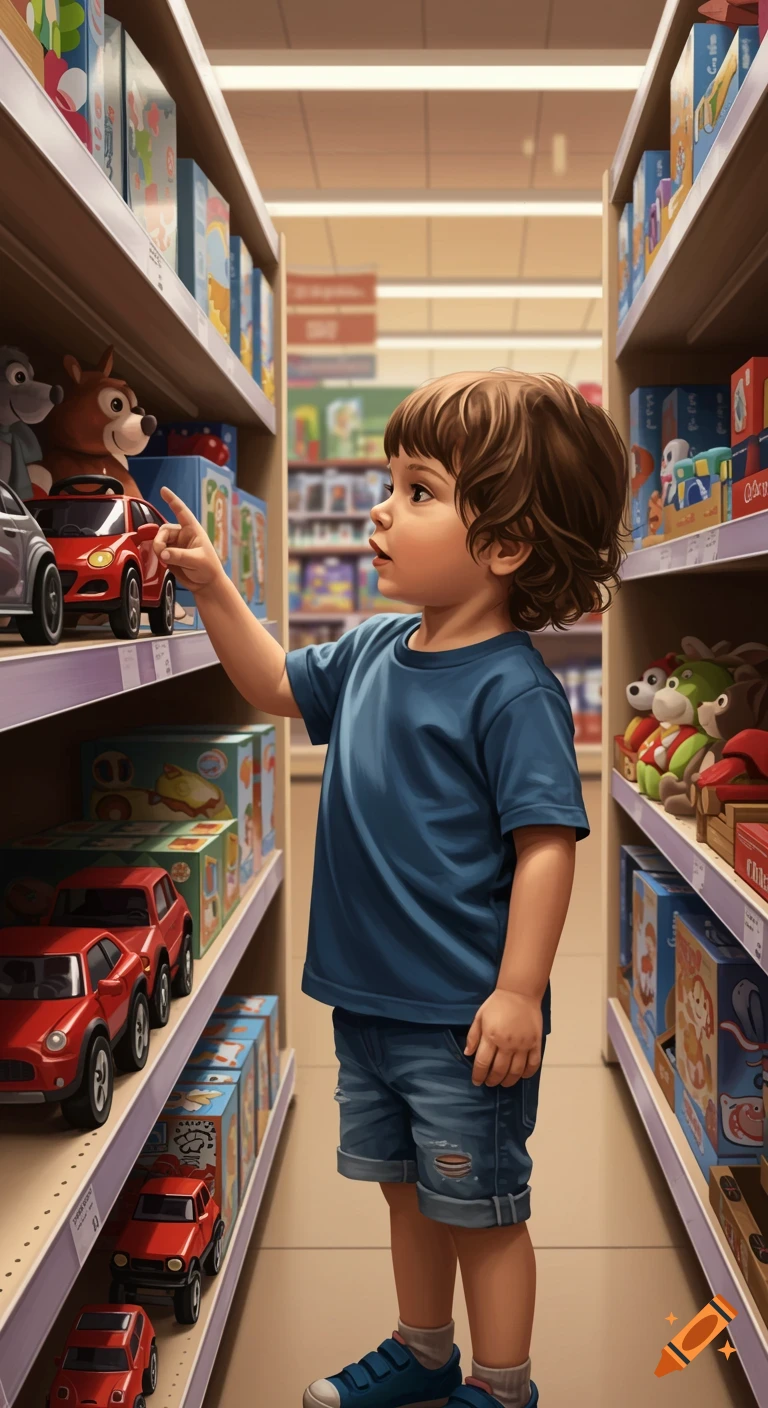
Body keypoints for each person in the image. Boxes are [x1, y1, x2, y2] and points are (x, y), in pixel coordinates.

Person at [154, 369, 627, 1408]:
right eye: (390, 482)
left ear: (502, 546)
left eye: (418, 490)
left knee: (485, 1211)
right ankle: (424, 1352)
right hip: (369, 1005)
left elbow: (549, 843)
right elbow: (277, 686)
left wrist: (517, 992)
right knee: (406, 1192)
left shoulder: (513, 689)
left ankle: (502, 1387)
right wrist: (211, 586)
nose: (380, 508)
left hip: (464, 1019)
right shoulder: (372, 649)